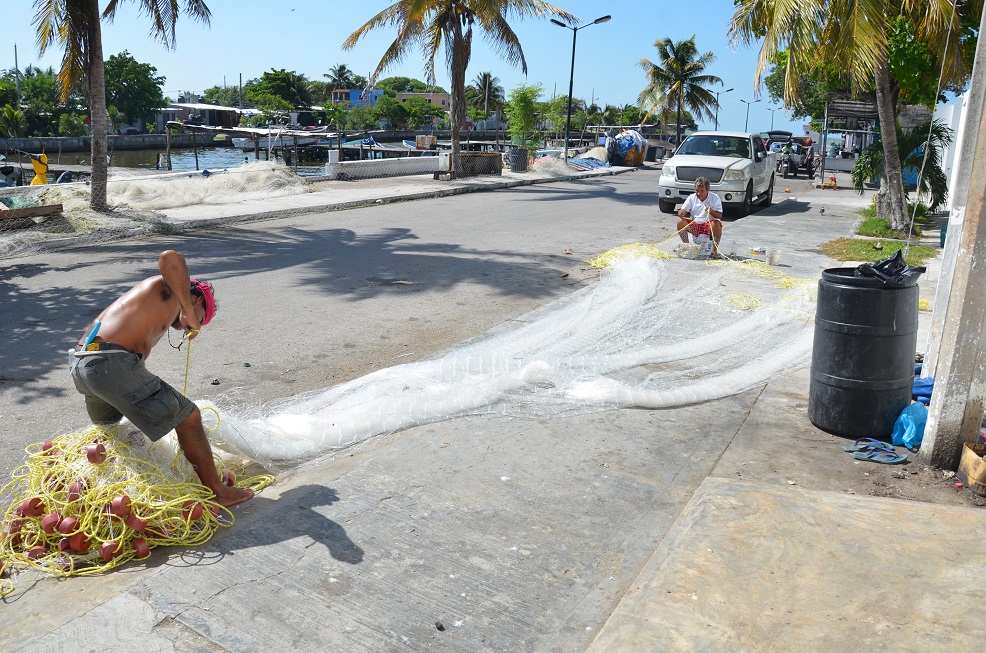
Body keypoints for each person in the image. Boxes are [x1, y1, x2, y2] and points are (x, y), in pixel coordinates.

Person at [70, 250, 253, 508]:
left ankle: (101, 495)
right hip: (109, 363)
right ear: (199, 302)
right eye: (201, 320)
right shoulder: (169, 290)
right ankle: (218, 492)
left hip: (83, 364)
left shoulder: (159, 303)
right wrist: (188, 309)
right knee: (189, 417)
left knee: (112, 430)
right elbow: (170, 257)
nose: (193, 327)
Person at [676, 177, 724, 256]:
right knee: (680, 223)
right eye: (697, 191)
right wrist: (681, 212)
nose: (699, 193)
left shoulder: (715, 198)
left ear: (707, 190)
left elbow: (719, 215)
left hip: (708, 225)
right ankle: (687, 246)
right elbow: (682, 210)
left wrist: (711, 211)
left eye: (702, 191)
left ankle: (714, 251)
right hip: (696, 225)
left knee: (717, 223)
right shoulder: (692, 198)